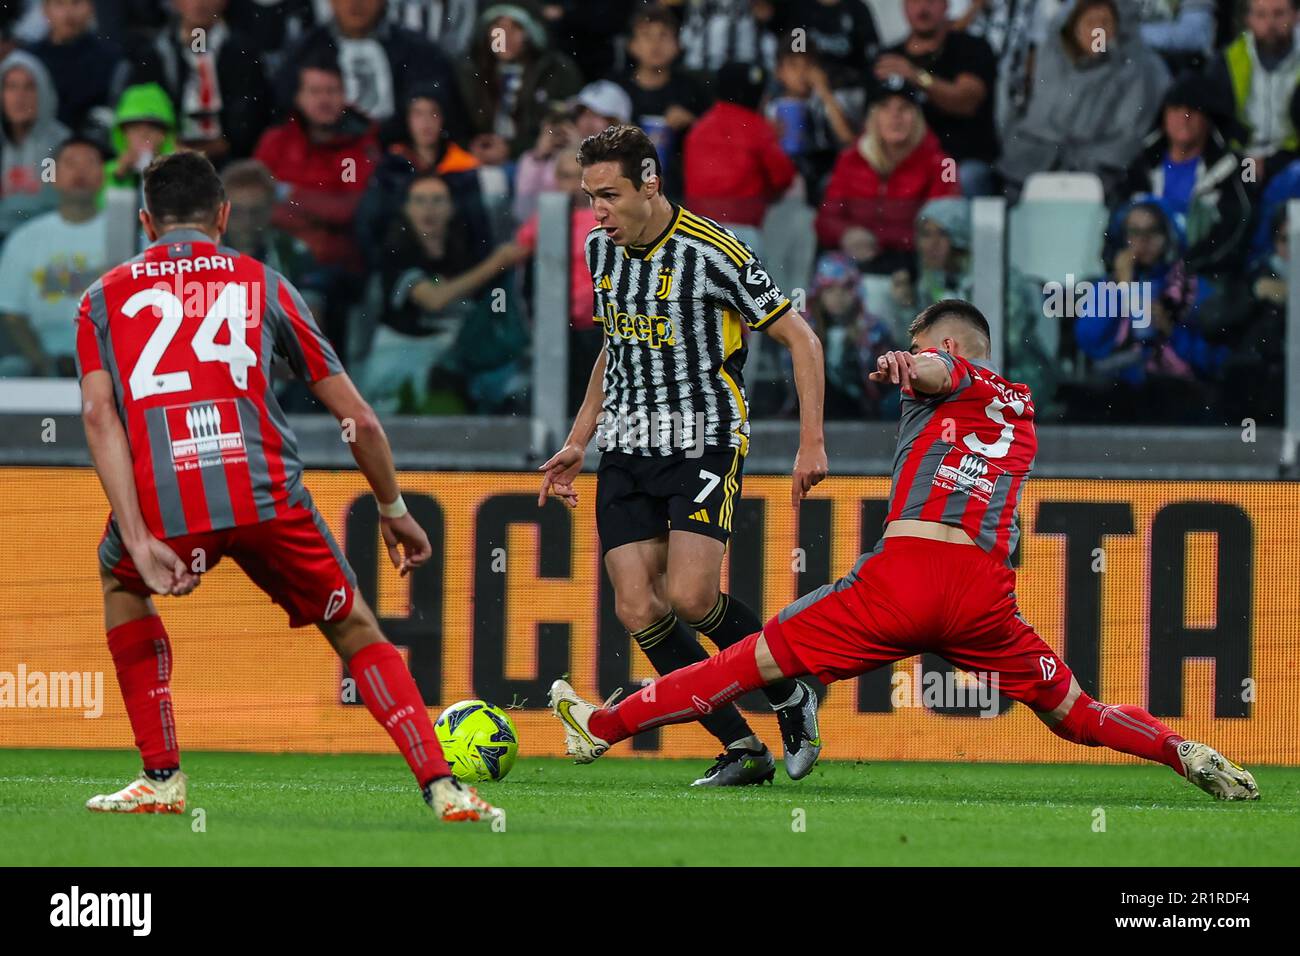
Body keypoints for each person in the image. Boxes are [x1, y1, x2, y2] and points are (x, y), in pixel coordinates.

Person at [549, 298, 1260, 804]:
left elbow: (935, 373)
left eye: (927, 343)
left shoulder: (943, 373)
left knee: (745, 662)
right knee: (1076, 714)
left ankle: (602, 726)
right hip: (983, 599)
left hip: (905, 578)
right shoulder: (1025, 409)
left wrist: (903, 362)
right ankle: (1183, 752)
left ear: (947, 347)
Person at [75, 151, 499, 823]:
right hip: (265, 490)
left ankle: (160, 778)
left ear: (148, 223)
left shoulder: (101, 297)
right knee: (354, 625)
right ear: (221, 216)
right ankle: (442, 788)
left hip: (166, 497)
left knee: (122, 583)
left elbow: (99, 415)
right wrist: (392, 506)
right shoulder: (264, 285)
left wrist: (136, 534)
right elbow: (355, 417)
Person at [537, 124, 829, 786]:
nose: (598, 212)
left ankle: (791, 693)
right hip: (627, 445)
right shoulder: (598, 251)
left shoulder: (714, 253)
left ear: (650, 183)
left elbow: (802, 340)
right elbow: (617, 348)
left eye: (608, 195)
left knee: (693, 596)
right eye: (589, 197)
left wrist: (812, 440)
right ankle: (741, 748)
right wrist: (580, 438)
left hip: (704, 440)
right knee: (637, 606)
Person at [998, 0, 1170, 203]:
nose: (1098, 30)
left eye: (1105, 23)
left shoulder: (1133, 71)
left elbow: (1125, 136)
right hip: (1028, 168)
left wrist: (1078, 163)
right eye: (1090, 22)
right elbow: (1018, 119)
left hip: (1098, 178)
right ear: (1074, 28)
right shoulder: (1046, 60)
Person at [815, 75, 959, 274]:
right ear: (873, 117)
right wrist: (846, 234)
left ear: (917, 116)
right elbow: (825, 219)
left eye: (904, 108)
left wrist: (878, 238)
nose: (895, 116)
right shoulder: (850, 159)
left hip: (914, 264)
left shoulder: (942, 163)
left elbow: (941, 230)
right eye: (885, 107)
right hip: (857, 262)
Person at [0, 134, 107, 377]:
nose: (80, 171)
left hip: (108, 354)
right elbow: (13, 315)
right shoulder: (25, 238)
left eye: (90, 162)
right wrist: (44, 363)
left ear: (103, 175)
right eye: (70, 163)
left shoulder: (124, 233)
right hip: (43, 355)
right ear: (53, 176)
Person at [121, 0, 273, 164]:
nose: (199, 3)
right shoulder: (154, 54)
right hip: (167, 162)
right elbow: (140, 116)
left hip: (234, 163)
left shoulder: (245, 54)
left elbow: (250, 122)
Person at [873, 0, 999, 196]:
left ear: (946, 5)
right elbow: (872, 121)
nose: (922, 9)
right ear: (904, 6)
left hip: (957, 161)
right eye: (915, 2)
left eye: (931, 1)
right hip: (904, 163)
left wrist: (917, 77)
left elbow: (967, 101)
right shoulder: (887, 57)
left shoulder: (972, 48)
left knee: (964, 178)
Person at [682, 62, 796, 249]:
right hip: (741, 233)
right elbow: (784, 177)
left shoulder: (699, 128)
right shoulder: (758, 128)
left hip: (696, 231)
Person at [458, 0, 583, 164]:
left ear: (532, 32)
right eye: (498, 27)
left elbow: (563, 128)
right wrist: (473, 147)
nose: (505, 36)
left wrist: (513, 149)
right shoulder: (469, 71)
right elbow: (455, 126)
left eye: (516, 27)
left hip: (540, 162)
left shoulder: (557, 71)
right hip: (476, 162)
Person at [620, 4, 711, 201]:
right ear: (632, 45)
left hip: (680, 189)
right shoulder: (618, 89)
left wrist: (692, 123)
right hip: (627, 188)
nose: (656, 44)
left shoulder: (692, 89)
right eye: (646, 35)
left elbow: (715, 138)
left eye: (664, 35)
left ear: (678, 44)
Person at [1208, 0, 1300, 168]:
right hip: (1243, 160)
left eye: (1279, 14)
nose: (1270, 23)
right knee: (1242, 185)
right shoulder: (1229, 59)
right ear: (1248, 19)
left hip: (1293, 159)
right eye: (1261, 15)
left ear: (1296, 16)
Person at [26, 0, 125, 131]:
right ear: (45, 10)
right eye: (59, 4)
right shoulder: (29, 60)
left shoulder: (110, 59)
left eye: (76, 3)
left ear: (91, 8)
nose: (69, 13)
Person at [0, 49, 67, 237]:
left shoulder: (58, 145)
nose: (19, 97)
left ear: (43, 92)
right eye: (11, 87)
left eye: (29, 87)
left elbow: (49, 202)